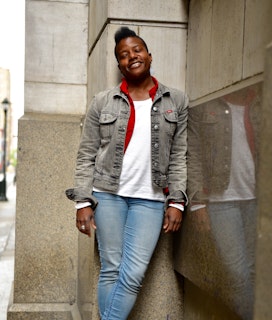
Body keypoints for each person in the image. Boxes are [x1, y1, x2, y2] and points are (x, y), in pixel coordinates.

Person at [66, 26, 188, 320]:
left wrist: (177, 201)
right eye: (123, 55)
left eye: (136, 50)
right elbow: (86, 154)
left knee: (132, 273)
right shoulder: (103, 101)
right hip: (107, 195)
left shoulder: (176, 101)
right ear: (119, 64)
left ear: (148, 55)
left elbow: (179, 156)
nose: (131, 57)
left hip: (151, 198)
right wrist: (82, 201)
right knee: (111, 268)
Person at [187, 84, 261, 319]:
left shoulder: (259, 100)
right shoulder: (208, 102)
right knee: (237, 273)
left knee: (253, 269)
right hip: (221, 200)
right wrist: (197, 202)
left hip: (258, 198)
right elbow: (193, 154)